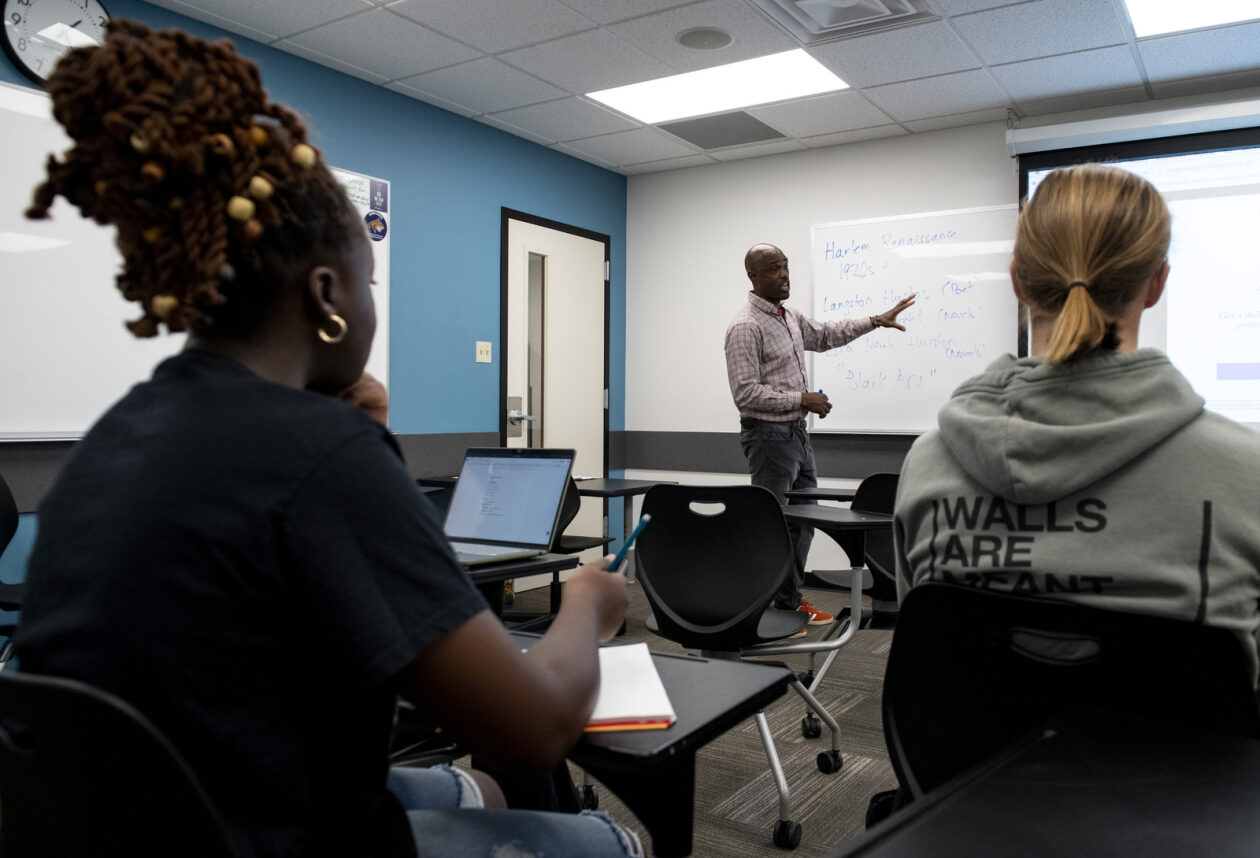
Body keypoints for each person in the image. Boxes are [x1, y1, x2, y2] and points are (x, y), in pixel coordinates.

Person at [12, 21, 640, 858]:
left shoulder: (117, 438)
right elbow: (534, 728)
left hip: (143, 823)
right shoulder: (317, 455)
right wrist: (584, 606)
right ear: (326, 295)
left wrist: (361, 436)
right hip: (273, 835)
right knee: (603, 838)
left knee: (476, 788)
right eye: (368, 284)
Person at [893, 163, 1260, 682]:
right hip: (1183, 763)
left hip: (968, 762)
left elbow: (924, 658)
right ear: (1156, 284)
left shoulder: (929, 463)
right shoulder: (1246, 471)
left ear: (1017, 279)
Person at [725, 243, 915, 624]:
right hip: (767, 438)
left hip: (796, 437)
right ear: (753, 276)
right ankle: (761, 612)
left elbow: (827, 335)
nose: (784, 275)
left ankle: (788, 603)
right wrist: (803, 399)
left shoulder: (788, 316)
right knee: (773, 526)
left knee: (800, 524)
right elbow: (744, 393)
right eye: (774, 269)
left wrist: (876, 320)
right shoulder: (746, 326)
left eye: (786, 267)